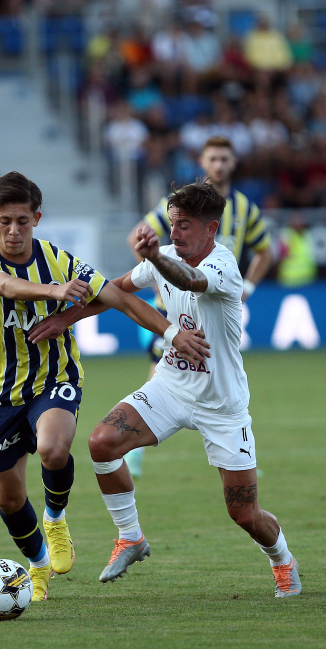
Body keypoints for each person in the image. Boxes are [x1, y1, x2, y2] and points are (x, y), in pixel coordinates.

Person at [29, 181, 301, 598]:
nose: (176, 234)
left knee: (243, 512)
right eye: (173, 223)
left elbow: (191, 281)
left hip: (222, 405)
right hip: (170, 388)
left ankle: (282, 559)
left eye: (186, 226)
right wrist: (67, 319)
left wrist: (155, 255)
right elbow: (115, 290)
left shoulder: (222, 265)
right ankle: (131, 537)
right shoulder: (166, 255)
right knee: (101, 443)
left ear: (211, 229)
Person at [0, 171, 209, 603]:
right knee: (8, 498)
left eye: (22, 220)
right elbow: (2, 286)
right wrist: (52, 292)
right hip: (0, 392)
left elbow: (121, 298)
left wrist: (171, 333)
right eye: (4, 221)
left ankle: (55, 518)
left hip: (55, 378)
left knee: (55, 449)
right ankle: (37, 565)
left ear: (37, 218)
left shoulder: (60, 259)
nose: (13, 230)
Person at [123, 135, 272, 477]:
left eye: (225, 158)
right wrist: (162, 277)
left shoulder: (245, 209)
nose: (219, 165)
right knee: (166, 365)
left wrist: (246, 285)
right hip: (177, 303)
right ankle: (135, 452)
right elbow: (137, 236)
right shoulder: (181, 204)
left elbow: (265, 249)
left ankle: (238, 452)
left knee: (225, 371)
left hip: (217, 300)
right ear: (203, 163)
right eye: (213, 159)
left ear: (234, 163)